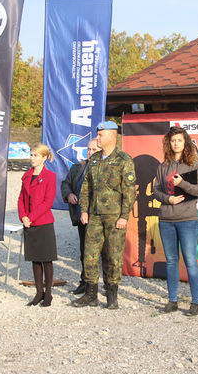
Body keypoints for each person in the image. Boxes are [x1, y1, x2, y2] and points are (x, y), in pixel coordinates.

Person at [73, 121, 136, 309]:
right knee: (90, 255)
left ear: (111, 136)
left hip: (115, 217)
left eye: (101, 135)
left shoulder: (124, 160)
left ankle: (111, 294)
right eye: (98, 134)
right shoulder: (94, 159)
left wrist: (124, 216)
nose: (97, 138)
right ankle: (91, 294)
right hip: (94, 216)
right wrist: (84, 210)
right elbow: (86, 187)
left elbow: (129, 191)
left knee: (113, 256)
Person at [152, 126, 198, 316]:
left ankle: (195, 303)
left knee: (190, 261)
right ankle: (172, 300)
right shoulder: (162, 166)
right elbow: (156, 191)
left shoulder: (194, 164)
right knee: (171, 261)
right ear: (169, 143)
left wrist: (181, 184)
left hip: (188, 220)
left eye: (179, 140)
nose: (176, 144)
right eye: (173, 141)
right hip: (166, 220)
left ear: (186, 143)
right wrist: (168, 199)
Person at [61, 139, 110, 295]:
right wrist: (68, 194)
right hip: (83, 216)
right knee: (85, 251)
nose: (90, 152)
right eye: (88, 149)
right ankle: (85, 283)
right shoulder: (78, 167)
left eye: (94, 149)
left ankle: (108, 285)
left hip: (102, 217)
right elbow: (65, 183)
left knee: (105, 252)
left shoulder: (109, 168)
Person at [18, 143, 57, 307]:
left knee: (46, 259)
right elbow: (21, 199)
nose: (32, 158)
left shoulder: (50, 176)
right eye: (31, 154)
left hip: (43, 222)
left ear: (44, 157)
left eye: (36, 155)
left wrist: (31, 217)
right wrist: (23, 217)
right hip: (29, 223)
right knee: (35, 259)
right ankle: (38, 292)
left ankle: (48, 293)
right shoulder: (26, 176)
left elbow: (48, 202)